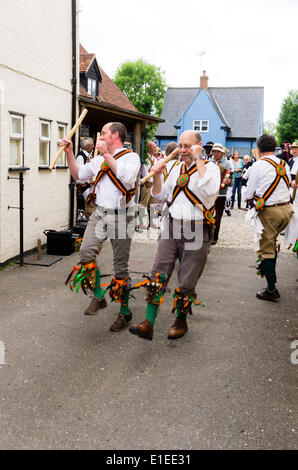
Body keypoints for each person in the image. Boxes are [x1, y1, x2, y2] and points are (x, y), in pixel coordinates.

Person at [128, 130, 220, 341]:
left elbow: (210, 190)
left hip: (198, 227)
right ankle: (148, 322)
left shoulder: (211, 168)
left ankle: (181, 321)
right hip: (171, 225)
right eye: (181, 145)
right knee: (157, 273)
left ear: (199, 146)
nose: (182, 150)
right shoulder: (175, 167)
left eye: (187, 146)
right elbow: (160, 196)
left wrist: (198, 159)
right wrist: (158, 175)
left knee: (187, 279)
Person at [62, 122, 140, 331]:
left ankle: (125, 312)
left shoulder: (132, 158)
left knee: (120, 266)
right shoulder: (98, 159)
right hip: (100, 213)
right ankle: (99, 296)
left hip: (123, 216)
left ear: (115, 136)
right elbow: (79, 174)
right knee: (86, 252)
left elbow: (127, 177)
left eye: (104, 133)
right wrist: (69, 153)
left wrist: (106, 155)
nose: (100, 136)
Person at [245, 134, 293, 300]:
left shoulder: (258, 165)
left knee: (265, 250)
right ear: (275, 148)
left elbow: (249, 193)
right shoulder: (283, 163)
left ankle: (271, 290)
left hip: (270, 212)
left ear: (258, 149)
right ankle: (271, 282)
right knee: (271, 244)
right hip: (287, 210)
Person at [210, 143, 233, 244]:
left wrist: (228, 182)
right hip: (209, 193)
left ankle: (215, 237)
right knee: (208, 215)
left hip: (221, 193)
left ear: (222, 153)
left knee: (218, 216)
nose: (215, 153)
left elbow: (231, 180)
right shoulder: (209, 162)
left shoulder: (227, 164)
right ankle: (208, 235)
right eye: (214, 151)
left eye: (217, 152)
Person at [76, 137, 94, 221]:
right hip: (83, 185)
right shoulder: (81, 157)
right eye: (92, 145)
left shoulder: (91, 156)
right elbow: (79, 175)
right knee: (91, 200)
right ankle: (87, 216)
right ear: (87, 147)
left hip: (90, 184)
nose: (93, 146)